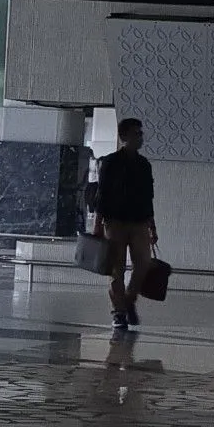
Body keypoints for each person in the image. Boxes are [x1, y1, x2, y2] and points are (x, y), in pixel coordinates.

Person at [93, 118, 157, 335]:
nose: (140, 137)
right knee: (116, 269)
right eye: (136, 133)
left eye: (141, 133)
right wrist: (98, 225)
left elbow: (149, 197)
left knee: (143, 263)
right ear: (124, 137)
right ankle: (119, 312)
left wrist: (152, 226)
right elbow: (101, 195)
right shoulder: (110, 163)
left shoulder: (144, 165)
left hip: (139, 221)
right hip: (115, 222)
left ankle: (128, 299)